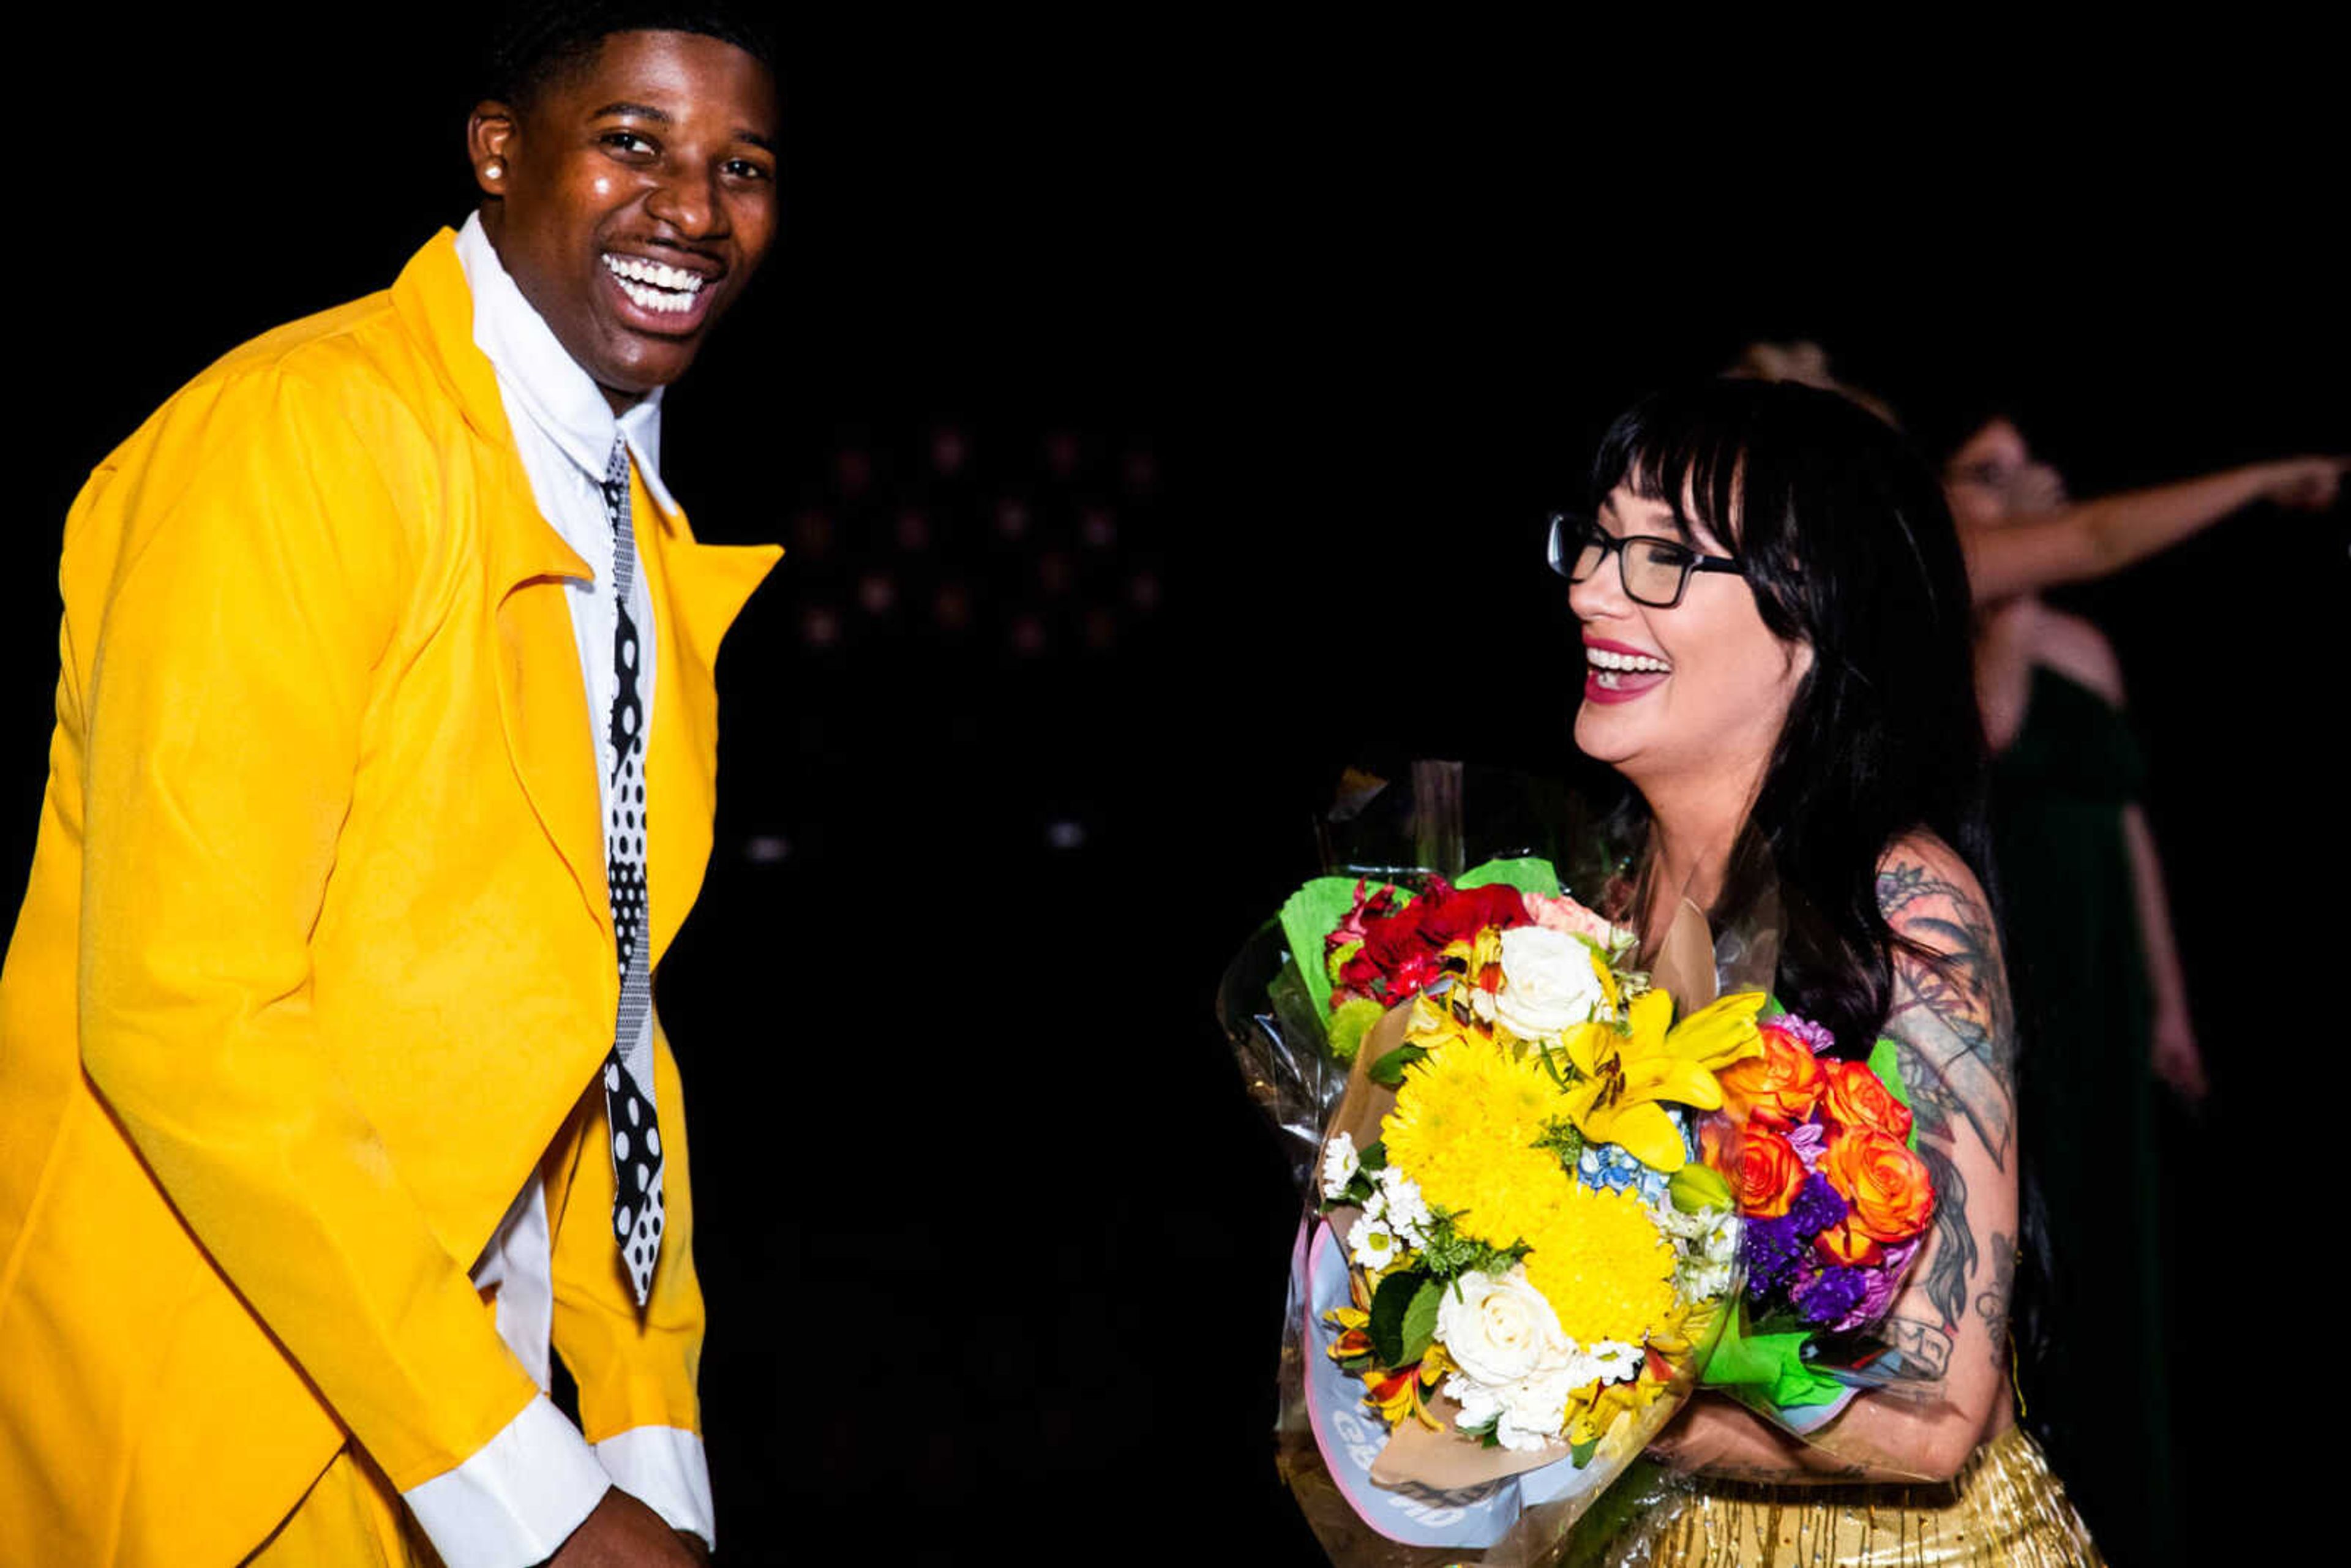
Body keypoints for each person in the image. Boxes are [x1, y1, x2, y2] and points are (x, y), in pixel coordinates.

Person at [0, 9, 781, 1565]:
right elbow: (182, 1008)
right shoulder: (306, 436)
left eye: (742, 167)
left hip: (454, 1434)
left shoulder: (630, 511)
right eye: (634, 141)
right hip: (229, 1440)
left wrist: (646, 1448)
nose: (692, 209)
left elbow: (609, 1020)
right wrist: (540, 1501)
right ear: (500, 149)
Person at [1551, 380, 2102, 1562]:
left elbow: (1937, 1414)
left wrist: (1576, 1408)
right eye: (1598, 540)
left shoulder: (1904, 909)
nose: (1591, 585)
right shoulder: (1598, 896)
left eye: (1663, 557)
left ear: (1814, 621)